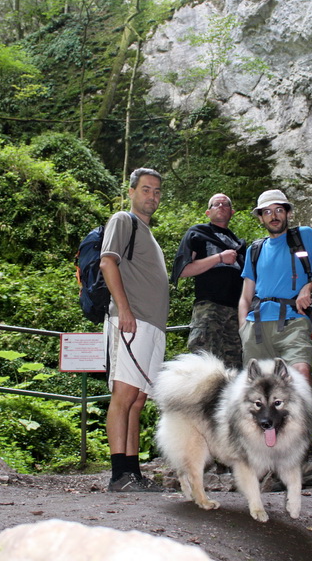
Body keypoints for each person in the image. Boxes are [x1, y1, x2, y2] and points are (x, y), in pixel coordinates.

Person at [238, 189, 312, 489]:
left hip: (293, 320)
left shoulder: (303, 237)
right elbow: (245, 295)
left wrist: (309, 287)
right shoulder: (254, 251)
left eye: (278, 209)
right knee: (258, 398)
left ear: (287, 212)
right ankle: (269, 463)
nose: (274, 215)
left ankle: (304, 452)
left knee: (300, 376)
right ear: (260, 217)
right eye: (267, 211)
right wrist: (243, 325)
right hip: (257, 329)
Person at [99, 168, 169, 492]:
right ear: (131, 191)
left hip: (152, 327)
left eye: (156, 191)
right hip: (131, 321)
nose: (151, 196)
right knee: (124, 395)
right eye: (145, 189)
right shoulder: (122, 221)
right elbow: (107, 262)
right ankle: (118, 476)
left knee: (138, 400)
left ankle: (133, 473)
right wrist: (124, 310)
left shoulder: (149, 234)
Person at [171, 193, 246, 368]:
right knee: (205, 363)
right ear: (208, 212)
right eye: (216, 204)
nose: (220, 206)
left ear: (232, 211)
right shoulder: (198, 233)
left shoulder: (240, 244)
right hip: (209, 307)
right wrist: (219, 257)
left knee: (235, 367)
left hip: (236, 311)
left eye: (225, 204)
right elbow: (183, 270)